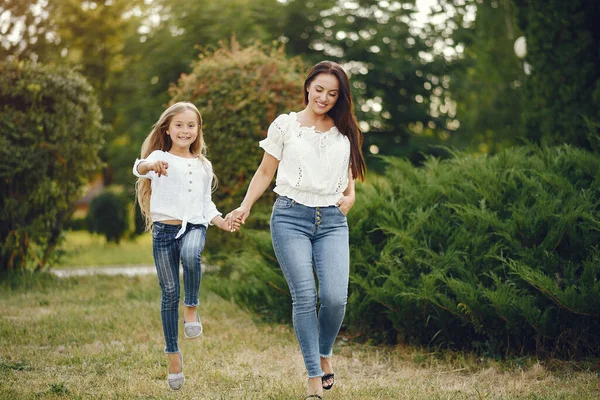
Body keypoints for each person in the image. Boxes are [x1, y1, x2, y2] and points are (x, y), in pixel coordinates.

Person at [228, 61, 366, 399]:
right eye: (319, 89)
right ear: (308, 87)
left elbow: (348, 170)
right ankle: (313, 376)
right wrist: (245, 206)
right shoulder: (286, 125)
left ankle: (324, 351)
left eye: (332, 93)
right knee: (305, 296)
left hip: (332, 221)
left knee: (334, 298)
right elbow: (264, 172)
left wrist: (350, 194)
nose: (324, 98)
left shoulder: (344, 128)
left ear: (340, 96)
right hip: (290, 217)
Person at [133, 101, 239, 391]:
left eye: (191, 125)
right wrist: (151, 164)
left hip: (193, 226)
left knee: (193, 255)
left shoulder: (203, 164)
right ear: (167, 129)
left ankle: (191, 306)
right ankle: (173, 354)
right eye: (179, 125)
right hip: (164, 233)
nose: (185, 130)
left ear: (198, 130)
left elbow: (206, 204)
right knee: (168, 293)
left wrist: (221, 222)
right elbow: (138, 167)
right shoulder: (158, 157)